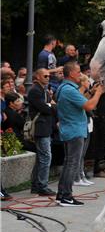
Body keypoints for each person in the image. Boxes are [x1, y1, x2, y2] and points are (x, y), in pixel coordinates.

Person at [55, 62, 105, 206]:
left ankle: (62, 194)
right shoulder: (69, 90)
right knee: (72, 163)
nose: (81, 75)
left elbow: (81, 101)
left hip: (69, 129)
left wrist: (91, 92)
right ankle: (66, 196)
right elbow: (89, 106)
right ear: (71, 73)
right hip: (74, 130)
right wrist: (99, 93)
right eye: (78, 72)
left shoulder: (65, 88)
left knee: (69, 162)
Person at [27, 68, 57, 196]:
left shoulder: (43, 90)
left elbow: (49, 106)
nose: (48, 77)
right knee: (45, 157)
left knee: (41, 158)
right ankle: (42, 186)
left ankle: (36, 185)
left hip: (45, 127)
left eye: (49, 75)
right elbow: (44, 108)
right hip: (41, 128)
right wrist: (52, 105)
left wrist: (50, 104)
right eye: (45, 76)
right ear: (37, 77)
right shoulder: (35, 90)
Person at [73, 74, 95, 187]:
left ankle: (81, 175)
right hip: (82, 124)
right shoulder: (77, 93)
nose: (89, 83)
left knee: (83, 153)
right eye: (87, 81)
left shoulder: (83, 93)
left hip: (87, 123)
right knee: (79, 153)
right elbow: (85, 104)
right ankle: (77, 177)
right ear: (82, 83)